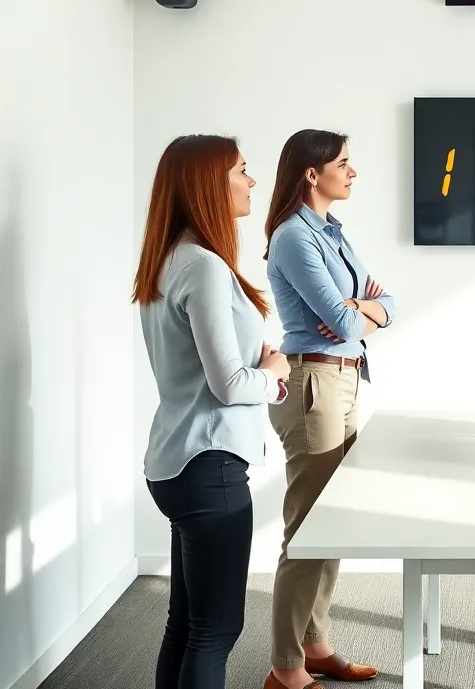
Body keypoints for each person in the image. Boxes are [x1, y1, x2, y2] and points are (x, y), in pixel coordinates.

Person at [133, 135, 291, 689]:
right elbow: (228, 383)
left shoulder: (168, 259)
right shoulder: (203, 266)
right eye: (242, 171)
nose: (252, 182)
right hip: (211, 465)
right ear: (208, 184)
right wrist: (274, 377)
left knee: (188, 621)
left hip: (177, 462)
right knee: (216, 629)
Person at [263, 129, 395, 689]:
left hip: (344, 378)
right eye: (344, 163)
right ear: (312, 174)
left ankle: (315, 644)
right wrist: (360, 311)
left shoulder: (332, 233)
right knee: (307, 528)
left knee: (332, 520)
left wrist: (364, 308)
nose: (353, 171)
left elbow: (384, 302)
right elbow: (345, 323)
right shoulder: (295, 237)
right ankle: (285, 668)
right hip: (313, 381)